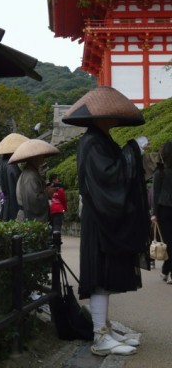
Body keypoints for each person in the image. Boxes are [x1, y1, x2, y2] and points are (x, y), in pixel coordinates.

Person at [62, 86, 151, 357]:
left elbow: (112, 174)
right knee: (100, 274)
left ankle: (103, 328)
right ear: (99, 116)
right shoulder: (91, 142)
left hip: (100, 217)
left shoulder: (100, 139)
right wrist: (132, 150)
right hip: (100, 217)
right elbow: (109, 177)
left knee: (105, 273)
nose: (114, 119)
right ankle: (100, 336)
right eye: (110, 115)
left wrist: (129, 152)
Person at [9, 139, 59, 222]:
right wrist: (47, 193)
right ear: (35, 158)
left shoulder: (31, 173)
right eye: (41, 156)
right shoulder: (30, 176)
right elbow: (33, 200)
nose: (43, 159)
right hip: (27, 217)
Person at [0, 133, 29, 221]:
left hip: (7, 202)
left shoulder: (3, 163)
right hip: (13, 203)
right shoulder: (11, 166)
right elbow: (14, 189)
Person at [151, 141, 172, 283]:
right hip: (165, 209)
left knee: (168, 242)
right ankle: (166, 271)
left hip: (164, 210)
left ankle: (166, 270)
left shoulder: (160, 172)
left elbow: (155, 194)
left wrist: (154, 213)